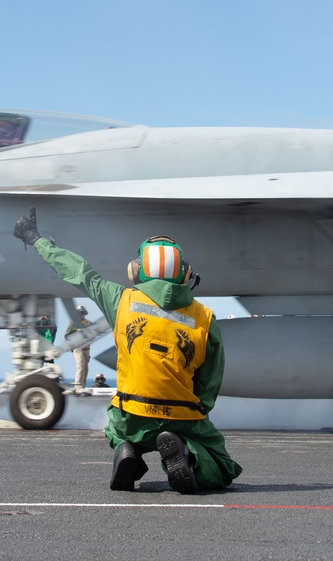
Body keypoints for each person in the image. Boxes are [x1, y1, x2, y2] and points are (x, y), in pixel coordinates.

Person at [14, 207, 242, 494]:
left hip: (130, 415)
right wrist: (196, 412)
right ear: (185, 273)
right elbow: (210, 381)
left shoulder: (120, 300)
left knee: (117, 426)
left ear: (136, 271)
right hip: (182, 417)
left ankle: (127, 452)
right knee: (222, 465)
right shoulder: (205, 318)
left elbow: (79, 271)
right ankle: (189, 456)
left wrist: (36, 239)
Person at [65, 305, 92, 393]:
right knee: (80, 366)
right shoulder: (72, 323)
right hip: (78, 347)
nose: (81, 315)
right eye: (79, 313)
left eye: (82, 313)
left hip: (86, 348)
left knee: (85, 368)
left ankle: (82, 386)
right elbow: (67, 335)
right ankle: (78, 386)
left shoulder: (88, 323)